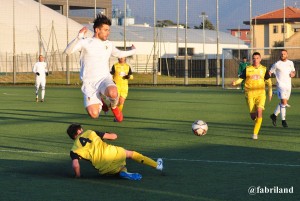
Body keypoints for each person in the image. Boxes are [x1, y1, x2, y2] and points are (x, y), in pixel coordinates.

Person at [64, 14, 136, 122]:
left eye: (109, 30)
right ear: (97, 30)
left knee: (113, 93)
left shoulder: (108, 44)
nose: (108, 32)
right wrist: (78, 38)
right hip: (89, 84)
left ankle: (114, 107)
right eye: (106, 30)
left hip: (104, 79)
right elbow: (67, 51)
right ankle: (101, 100)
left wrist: (133, 50)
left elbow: (120, 53)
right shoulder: (85, 42)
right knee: (94, 114)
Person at [66, 123, 163, 180]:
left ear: (72, 137)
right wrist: (111, 133)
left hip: (103, 168)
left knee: (119, 168)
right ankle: (157, 165)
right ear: (79, 130)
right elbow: (113, 137)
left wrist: (78, 175)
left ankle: (122, 172)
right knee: (131, 154)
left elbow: (75, 164)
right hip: (113, 153)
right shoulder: (91, 132)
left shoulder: (74, 150)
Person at [232, 52, 272, 140]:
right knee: (253, 116)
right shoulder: (247, 69)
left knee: (259, 111)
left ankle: (255, 133)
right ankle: (257, 121)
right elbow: (241, 78)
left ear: (260, 59)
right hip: (249, 94)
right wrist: (235, 82)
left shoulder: (264, 69)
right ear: (252, 59)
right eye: (254, 58)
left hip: (261, 94)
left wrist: (270, 93)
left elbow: (269, 82)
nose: (255, 60)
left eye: (257, 58)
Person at [269, 49, 296, 128]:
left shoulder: (290, 63)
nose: (283, 55)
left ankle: (274, 115)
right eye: (281, 54)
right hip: (280, 85)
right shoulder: (277, 64)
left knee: (283, 103)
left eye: (284, 54)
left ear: (287, 55)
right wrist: (267, 78)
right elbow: (270, 72)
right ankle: (283, 121)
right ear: (280, 55)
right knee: (284, 102)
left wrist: (293, 74)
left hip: (288, 86)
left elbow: (293, 72)